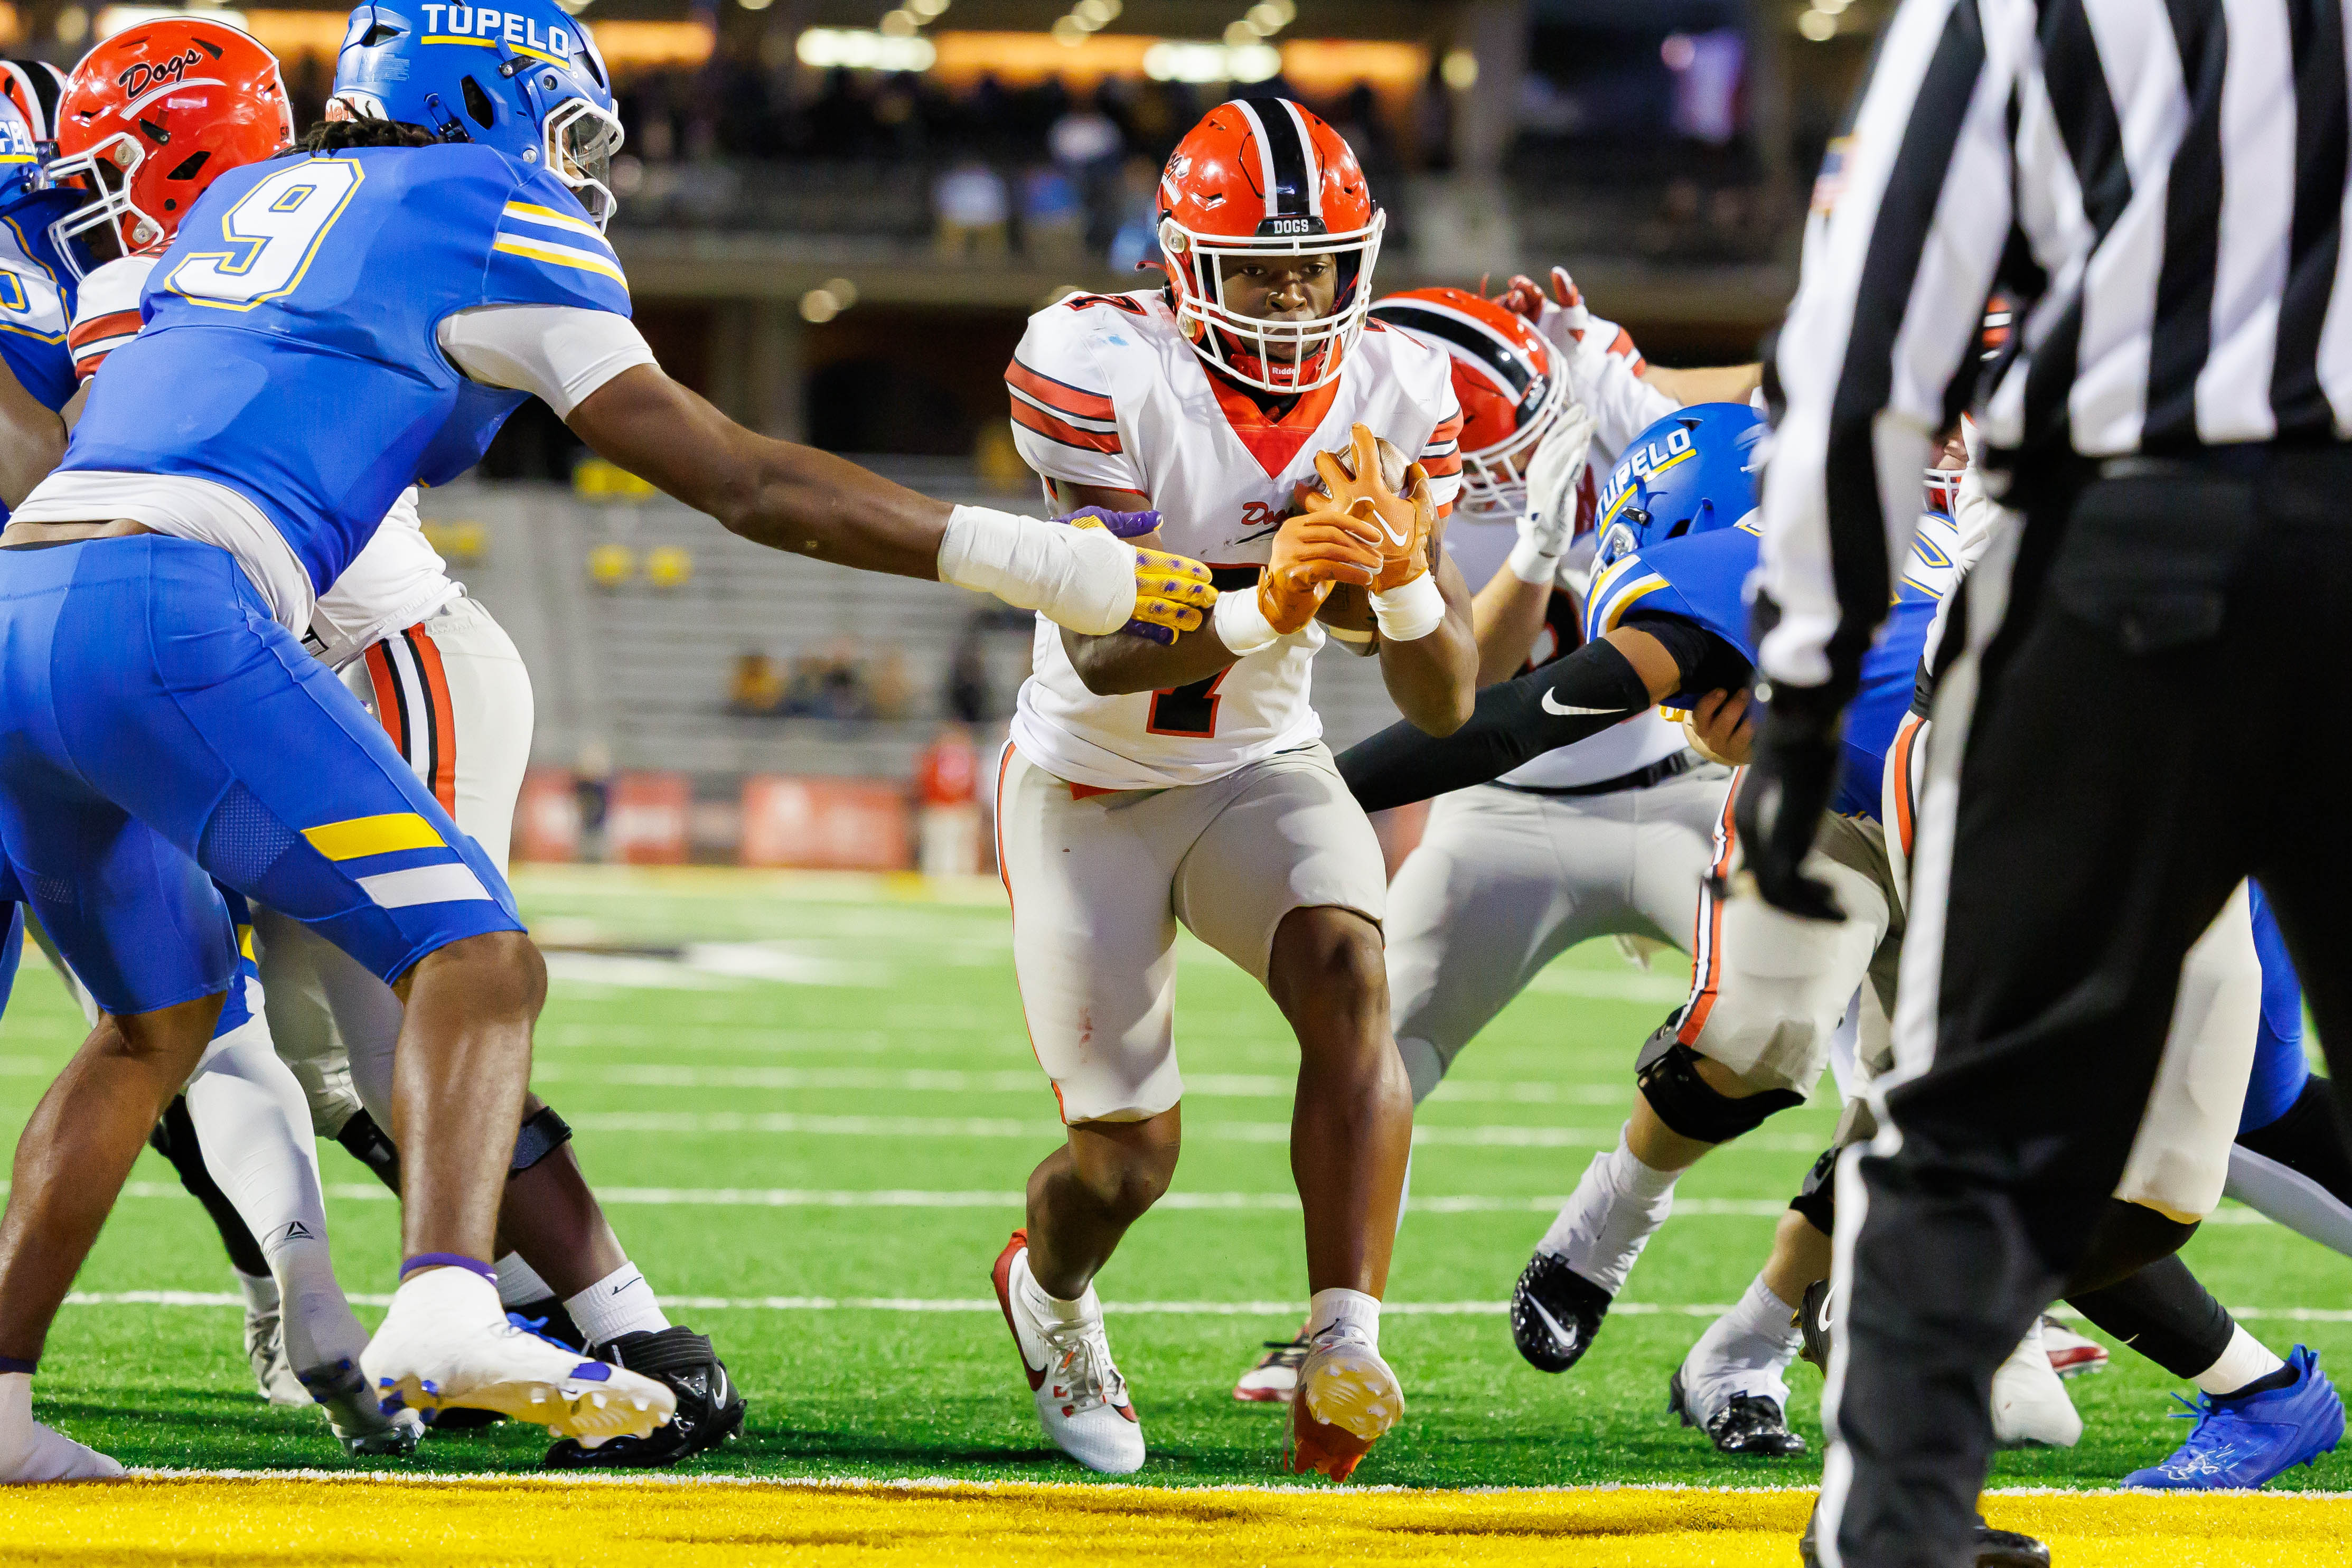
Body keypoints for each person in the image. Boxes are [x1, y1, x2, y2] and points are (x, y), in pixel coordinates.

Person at [0, 0, 1214, 1481]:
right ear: (492, 101)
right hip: (175, 597)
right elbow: (743, 478)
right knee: (479, 961)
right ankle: (448, 1303)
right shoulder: (489, 201)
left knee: (148, 1028)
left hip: (25, 587)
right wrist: (1061, 565)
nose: (581, 171)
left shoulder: (249, 197)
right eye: (571, 133)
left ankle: (0, 1403)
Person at [1739, 4, 2352, 1553]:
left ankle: (1892, 1529)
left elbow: (1865, 347)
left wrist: (1801, 696)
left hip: (2116, 554)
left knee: (1966, 1115)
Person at [989, 96, 1476, 1482]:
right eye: (1259, 265)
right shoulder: (1097, 363)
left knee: (1346, 972)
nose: (1291, 290)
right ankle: (1052, 1294)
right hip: (1092, 783)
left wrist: (1397, 578)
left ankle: (1343, 1335)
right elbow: (1097, 655)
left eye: (1314, 261)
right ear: (1181, 259)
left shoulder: (1393, 389)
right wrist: (1269, 599)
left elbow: (1440, 704)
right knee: (1124, 1162)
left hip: (1258, 765)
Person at [1232, 283, 1745, 1404]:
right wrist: (1539, 543)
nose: (1509, 462)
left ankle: (1934, 1322)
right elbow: (1467, 701)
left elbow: (1780, 387)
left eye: (1527, 435)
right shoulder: (1380, 485)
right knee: (1376, 1046)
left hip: (1680, 790)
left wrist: (1619, 367)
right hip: (1500, 804)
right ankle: (1338, 1328)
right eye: (1489, 450)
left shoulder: (1585, 381)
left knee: (1828, 1020)